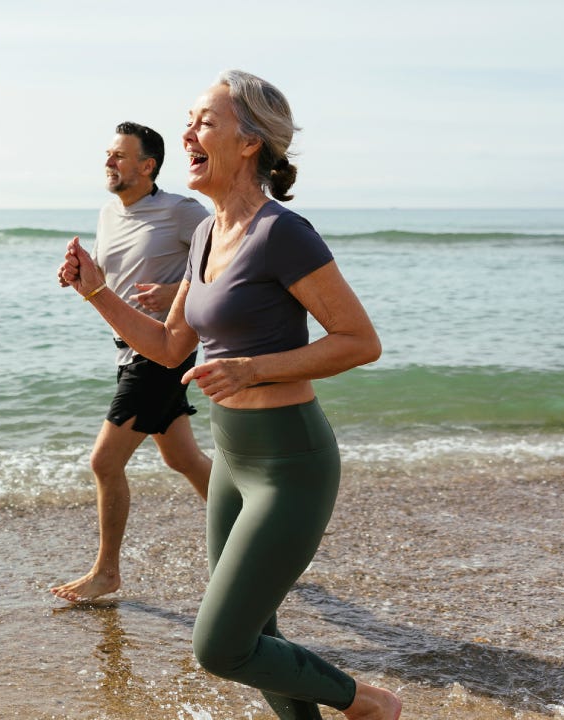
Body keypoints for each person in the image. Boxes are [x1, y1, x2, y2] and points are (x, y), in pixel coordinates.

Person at [57, 72, 403, 719]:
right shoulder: (206, 234)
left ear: (248, 143)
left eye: (203, 121)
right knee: (256, 636)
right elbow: (167, 345)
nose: (188, 132)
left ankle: (369, 703)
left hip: (289, 465)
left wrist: (254, 369)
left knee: (220, 647)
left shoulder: (282, 233)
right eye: (188, 120)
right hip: (234, 462)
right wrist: (98, 292)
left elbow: (360, 341)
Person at [50, 121, 213, 604]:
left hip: (163, 351)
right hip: (127, 350)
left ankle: (107, 572)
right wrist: (77, 274)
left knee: (104, 462)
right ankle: (251, 532)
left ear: (148, 166)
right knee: (181, 457)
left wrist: (179, 290)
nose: (109, 163)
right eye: (108, 155)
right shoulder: (108, 214)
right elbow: (107, 279)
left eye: (120, 156)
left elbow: (226, 258)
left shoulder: (183, 212)